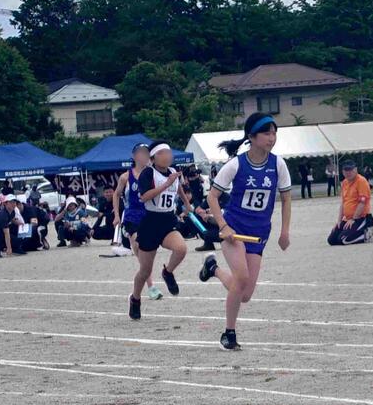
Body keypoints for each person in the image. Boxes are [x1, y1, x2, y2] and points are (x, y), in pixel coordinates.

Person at [199, 113, 292, 350]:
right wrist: (223, 226)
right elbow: (212, 197)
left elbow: (286, 199)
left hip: (259, 233)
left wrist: (285, 232)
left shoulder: (278, 164)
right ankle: (229, 333)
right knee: (241, 278)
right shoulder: (236, 164)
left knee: (245, 294)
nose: (272, 138)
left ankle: (213, 268)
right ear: (252, 136)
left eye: (274, 133)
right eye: (266, 133)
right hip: (234, 231)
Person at [128, 140, 192, 320]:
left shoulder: (173, 172)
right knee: (145, 271)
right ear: (154, 158)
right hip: (150, 222)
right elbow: (144, 197)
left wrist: (186, 203)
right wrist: (165, 184)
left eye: (169, 152)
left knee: (181, 248)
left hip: (168, 220)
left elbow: (178, 188)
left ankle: (168, 272)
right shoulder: (148, 173)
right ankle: (135, 298)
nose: (167, 156)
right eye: (162, 153)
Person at [114, 143, 163, 300]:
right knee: (138, 249)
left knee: (147, 253)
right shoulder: (125, 177)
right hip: (132, 216)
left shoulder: (153, 174)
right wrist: (116, 215)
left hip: (149, 215)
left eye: (146, 153)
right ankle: (151, 286)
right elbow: (116, 194)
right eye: (140, 153)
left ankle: (150, 284)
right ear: (134, 156)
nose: (144, 156)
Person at [327, 159, 373, 246]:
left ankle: (365, 235)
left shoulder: (361, 181)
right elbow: (343, 203)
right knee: (332, 240)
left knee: (343, 239)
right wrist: (339, 221)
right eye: (346, 170)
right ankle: (355, 232)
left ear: (355, 169)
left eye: (350, 170)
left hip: (361, 217)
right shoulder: (344, 183)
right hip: (347, 219)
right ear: (342, 172)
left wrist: (354, 218)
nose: (348, 172)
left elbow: (362, 203)